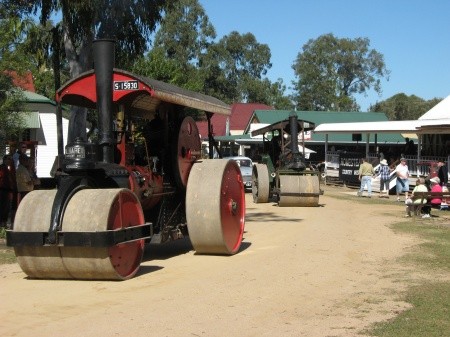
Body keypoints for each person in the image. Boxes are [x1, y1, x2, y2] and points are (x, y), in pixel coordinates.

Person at [0, 155, 15, 228]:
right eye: (8, 159)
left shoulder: (7, 169)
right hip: (3, 191)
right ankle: (2, 223)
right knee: (3, 207)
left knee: (6, 207)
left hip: (7, 191)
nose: (10, 161)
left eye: (10, 159)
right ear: (4, 160)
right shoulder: (2, 168)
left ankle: (4, 223)